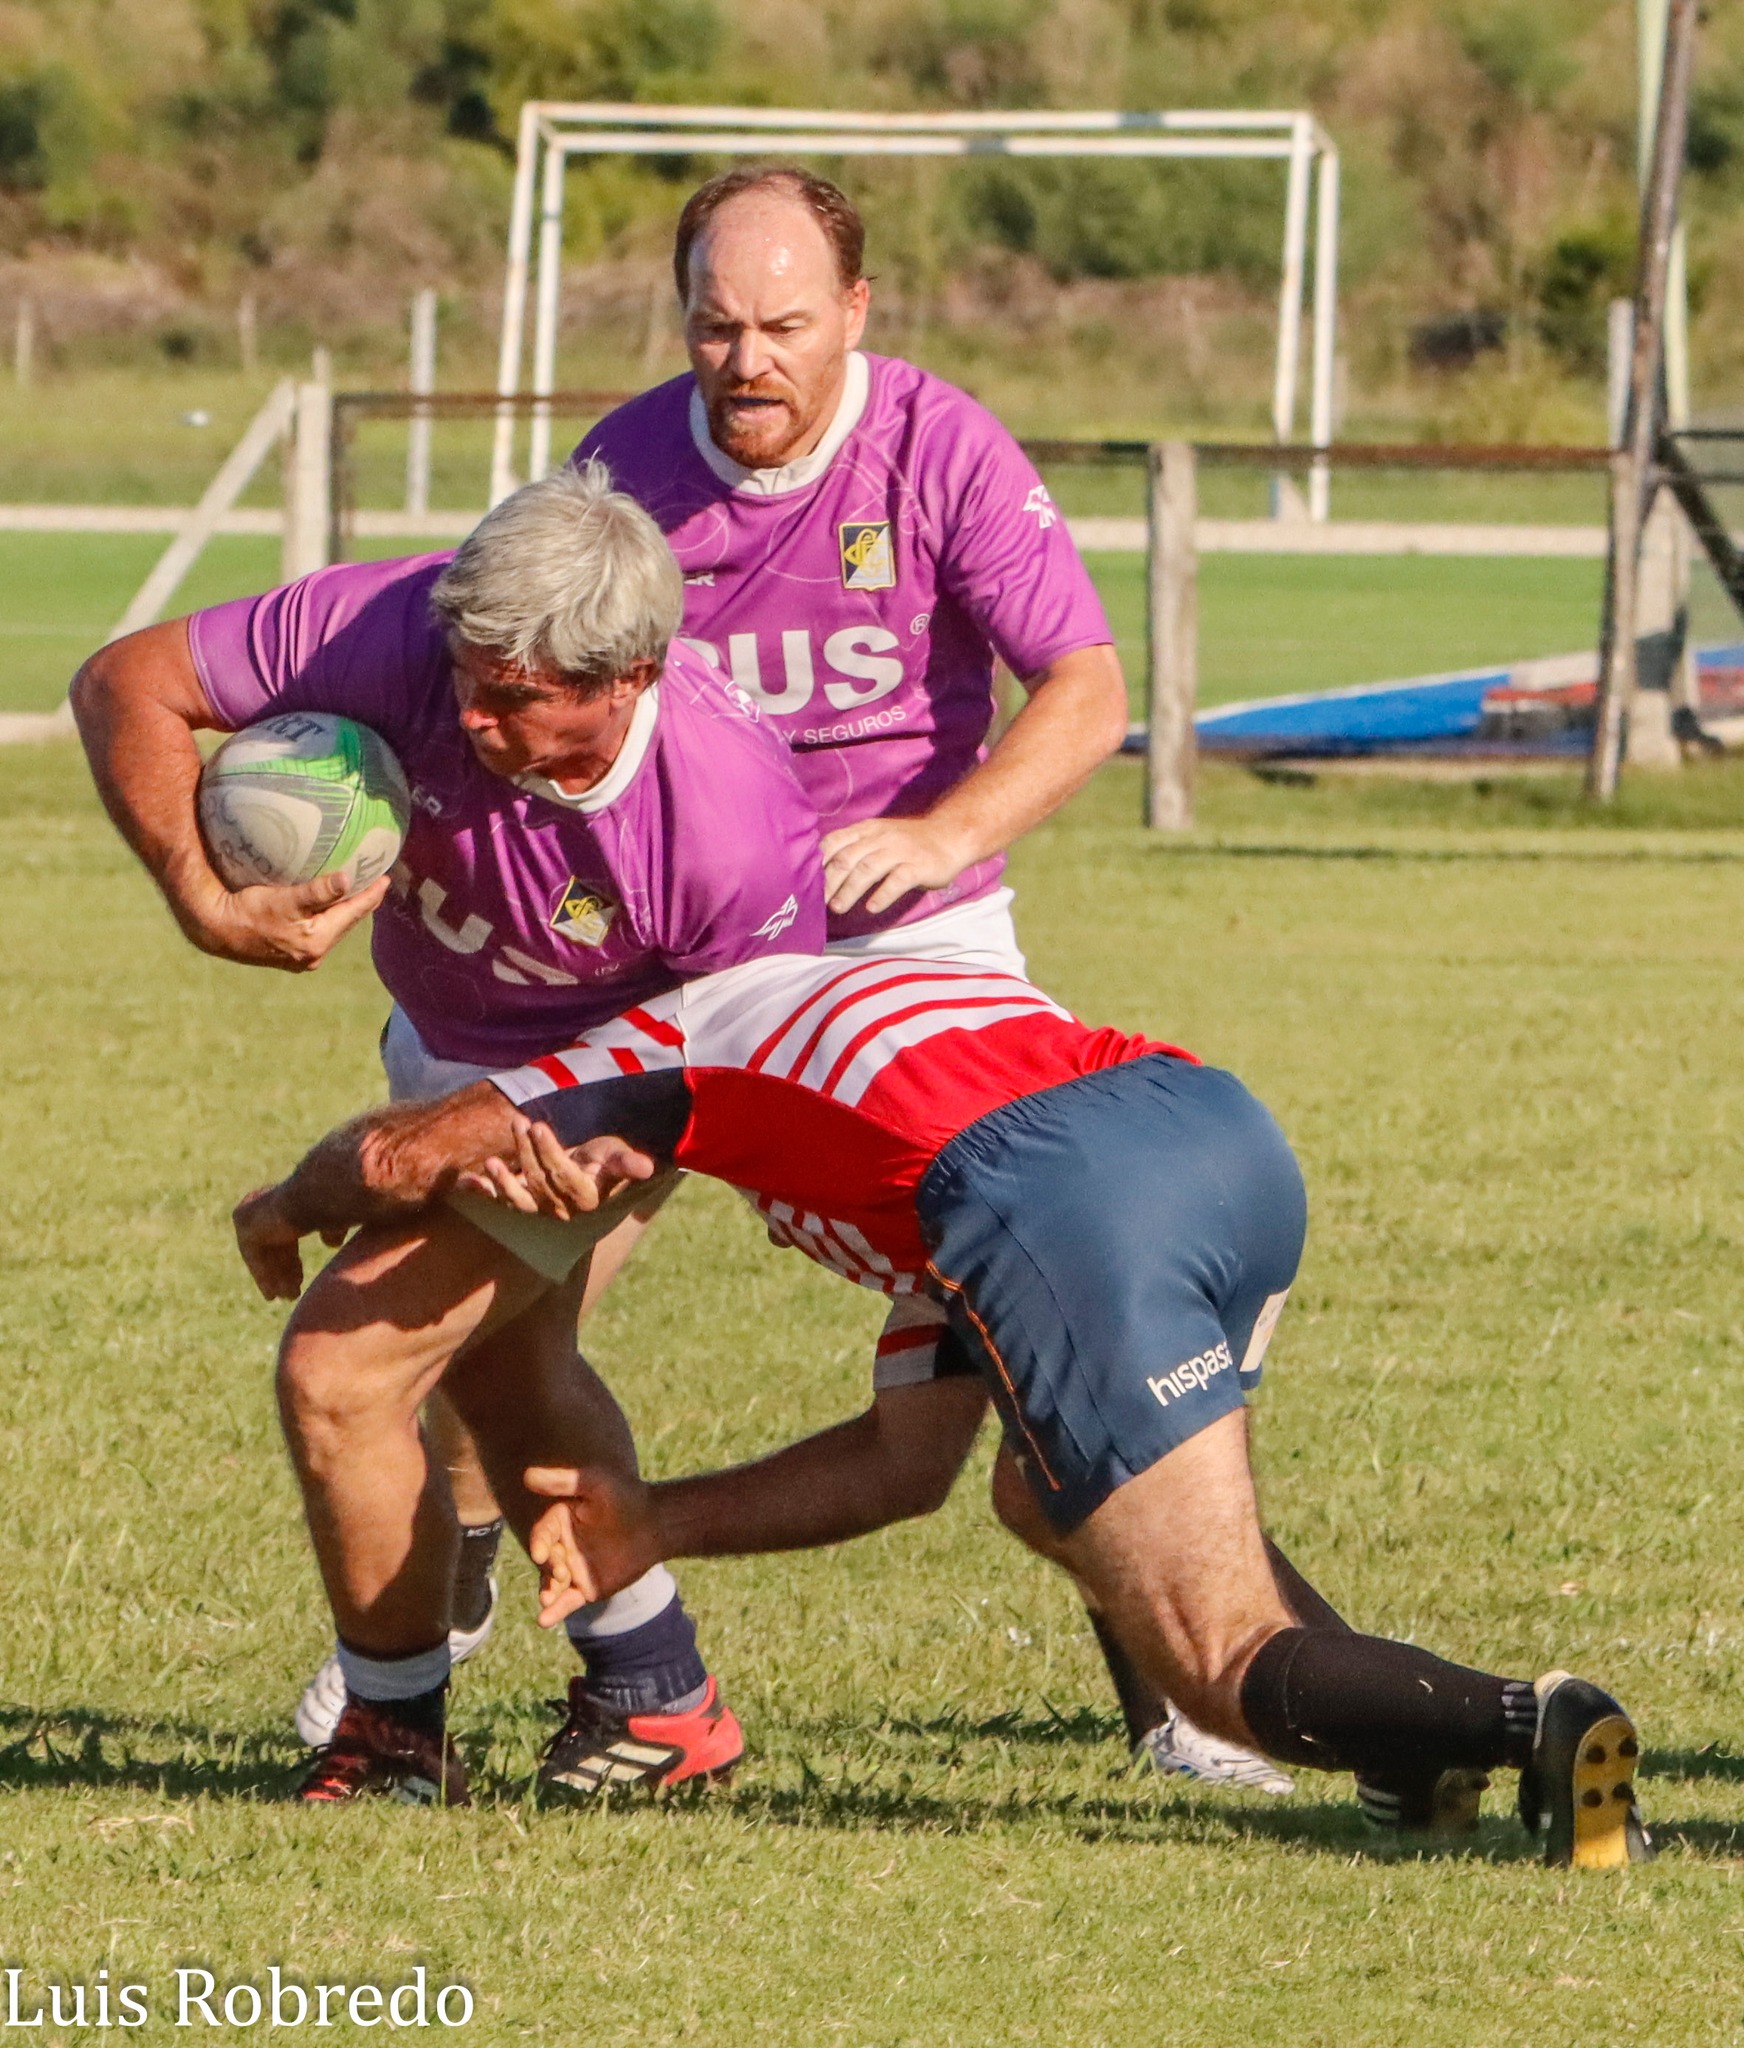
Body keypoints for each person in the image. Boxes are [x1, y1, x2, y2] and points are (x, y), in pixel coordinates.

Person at [236, 951, 1653, 1869]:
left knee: (1214, 1654)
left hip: (1053, 1188)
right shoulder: (883, 1060)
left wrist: (287, 1204)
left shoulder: (667, 1042)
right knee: (1050, 1496)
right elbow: (905, 1466)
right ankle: (1414, 1758)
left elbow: (407, 1146)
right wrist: (647, 1525)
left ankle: (1534, 1719)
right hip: (1214, 1132)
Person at [569, 163, 1270, 1786]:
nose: (746, 359)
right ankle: (433, 1640)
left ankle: (1184, 1694)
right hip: (690, 952)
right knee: (526, 1266)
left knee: (1030, 1342)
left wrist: (946, 835)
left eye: (784, 326)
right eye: (715, 325)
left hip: (916, 947)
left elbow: (1085, 690)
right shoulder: (616, 472)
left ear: (858, 317)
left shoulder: (938, 446)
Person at [70, 463, 826, 1797]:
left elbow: (753, 1042)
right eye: (463, 674)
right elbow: (124, 680)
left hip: (617, 1078)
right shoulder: (398, 626)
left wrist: (578, 1133)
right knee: (509, 1372)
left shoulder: (731, 823)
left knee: (343, 1365)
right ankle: (658, 1700)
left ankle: (393, 1737)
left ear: (629, 674)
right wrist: (199, 892)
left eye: (513, 697)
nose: (463, 715)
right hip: (439, 1044)